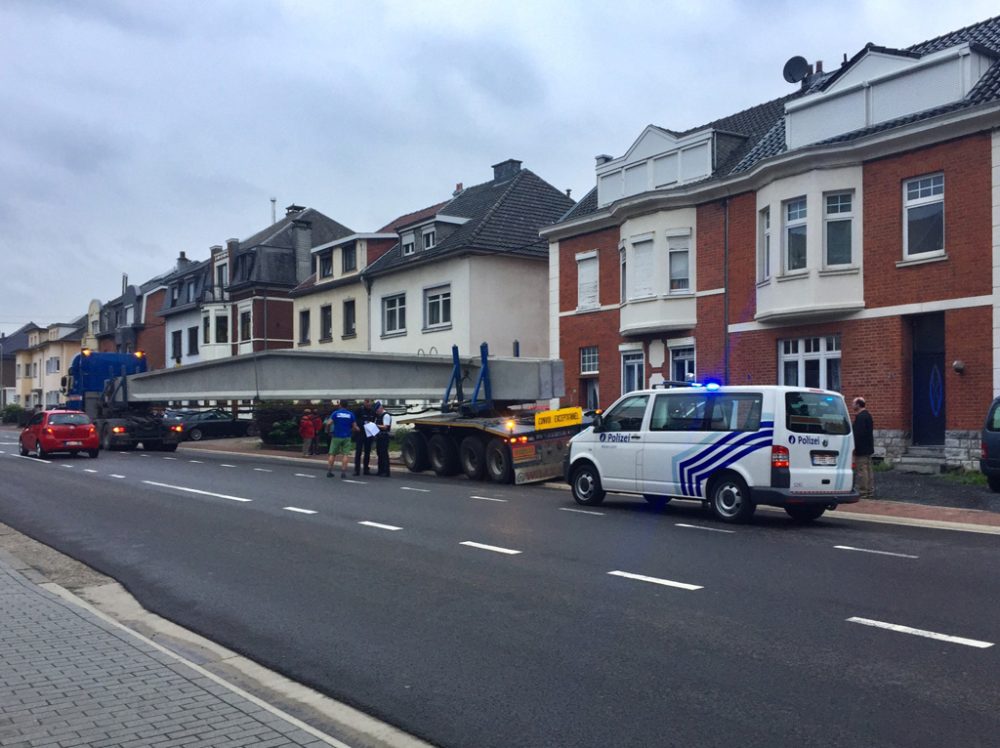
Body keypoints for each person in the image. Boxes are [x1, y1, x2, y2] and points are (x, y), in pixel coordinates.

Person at [325, 400, 356, 478]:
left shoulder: (336, 413)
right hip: (347, 437)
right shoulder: (350, 414)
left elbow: (328, 423)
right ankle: (343, 472)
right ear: (347, 406)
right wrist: (351, 430)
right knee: (345, 454)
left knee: (332, 454)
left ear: (340, 405)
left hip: (336, 436)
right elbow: (355, 427)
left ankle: (329, 471)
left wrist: (329, 431)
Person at [852, 396, 874, 500]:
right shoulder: (868, 416)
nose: (852, 405)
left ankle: (863, 491)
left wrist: (854, 447)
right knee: (868, 469)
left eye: (853, 403)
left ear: (858, 405)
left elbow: (858, 434)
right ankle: (869, 490)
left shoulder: (860, 417)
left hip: (861, 448)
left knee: (862, 470)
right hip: (868, 447)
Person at [352, 398, 375, 475]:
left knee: (367, 452)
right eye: (367, 403)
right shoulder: (359, 410)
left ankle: (366, 469)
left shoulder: (372, 411)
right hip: (360, 433)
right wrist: (363, 423)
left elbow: (373, 420)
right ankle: (357, 470)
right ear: (364, 403)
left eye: (370, 403)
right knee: (358, 452)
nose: (369, 405)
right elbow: (355, 420)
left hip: (368, 433)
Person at [374, 401, 392, 477]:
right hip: (379, 436)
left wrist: (376, 425)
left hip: (384, 436)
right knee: (379, 453)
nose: (376, 412)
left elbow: (385, 427)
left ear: (381, 408)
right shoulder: (379, 415)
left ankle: (386, 471)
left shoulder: (386, 415)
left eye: (377, 410)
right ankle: (380, 470)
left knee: (384, 454)